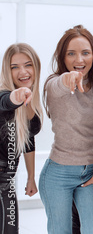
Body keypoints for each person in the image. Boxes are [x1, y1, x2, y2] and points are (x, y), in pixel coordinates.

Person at [39, 25, 93, 234]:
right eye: (71, 54)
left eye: (85, 53)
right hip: (58, 173)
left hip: (91, 172)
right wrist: (68, 78)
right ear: (63, 57)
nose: (79, 60)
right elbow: (58, 85)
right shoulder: (53, 84)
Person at [0, 43, 42, 234]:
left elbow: (27, 140)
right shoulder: (4, 95)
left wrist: (31, 177)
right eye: (14, 67)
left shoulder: (32, 103)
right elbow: (5, 102)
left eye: (27, 65)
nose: (22, 72)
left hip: (7, 181)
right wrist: (15, 98)